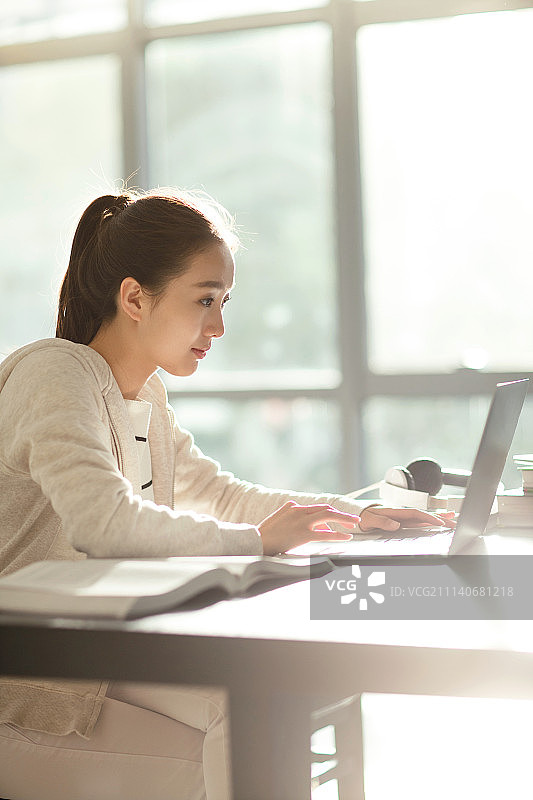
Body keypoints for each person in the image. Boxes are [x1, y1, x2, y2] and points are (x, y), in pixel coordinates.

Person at [0, 189, 452, 800]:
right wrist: (258, 541)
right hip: (31, 682)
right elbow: (101, 523)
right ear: (134, 298)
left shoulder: (143, 397)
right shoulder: (54, 373)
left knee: (259, 697)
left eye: (224, 301)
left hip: (96, 660)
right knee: (247, 721)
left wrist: (353, 517)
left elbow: (219, 493)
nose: (218, 325)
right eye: (205, 300)